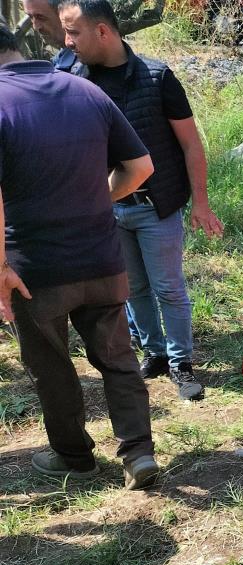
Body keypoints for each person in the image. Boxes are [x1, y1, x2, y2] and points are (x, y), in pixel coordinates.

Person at [0, 24, 159, 488]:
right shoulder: (85, 91)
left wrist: (2, 267)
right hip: (102, 260)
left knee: (51, 365)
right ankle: (139, 452)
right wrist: (98, 201)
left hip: (36, 269)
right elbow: (141, 167)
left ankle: (73, 456)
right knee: (118, 358)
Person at [60, 0, 225, 400]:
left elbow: (190, 145)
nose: (67, 42)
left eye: (74, 32)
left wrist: (200, 203)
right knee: (133, 288)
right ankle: (154, 353)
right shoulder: (75, 80)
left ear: (102, 31)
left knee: (168, 287)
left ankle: (181, 361)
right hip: (110, 209)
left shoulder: (157, 76)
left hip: (158, 207)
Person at [22, 0, 77, 70]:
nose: (35, 27)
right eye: (31, 17)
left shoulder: (85, 61)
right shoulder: (62, 57)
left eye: (41, 17)